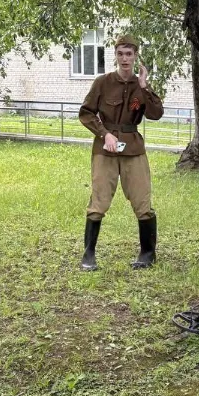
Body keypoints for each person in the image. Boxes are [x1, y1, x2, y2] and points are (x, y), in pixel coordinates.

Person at [78, 35, 164, 271]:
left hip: (133, 149)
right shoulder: (102, 82)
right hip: (105, 149)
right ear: (115, 56)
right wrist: (104, 133)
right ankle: (89, 254)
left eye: (129, 54)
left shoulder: (140, 85)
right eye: (120, 54)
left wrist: (145, 87)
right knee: (99, 200)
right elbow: (86, 113)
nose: (125, 59)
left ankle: (147, 253)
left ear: (135, 57)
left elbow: (156, 114)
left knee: (142, 199)